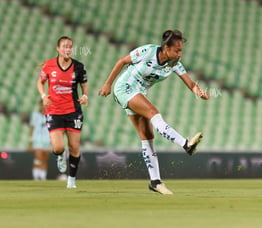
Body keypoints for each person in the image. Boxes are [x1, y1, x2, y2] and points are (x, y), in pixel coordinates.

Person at [98, 29, 209, 195]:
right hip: (125, 87)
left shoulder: (175, 64)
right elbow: (122, 61)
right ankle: (186, 145)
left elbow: (191, 83)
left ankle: (155, 182)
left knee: (148, 137)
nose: (179, 54)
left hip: (139, 93)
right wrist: (107, 84)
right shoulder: (148, 51)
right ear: (166, 48)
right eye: (177, 50)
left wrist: (199, 92)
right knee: (153, 113)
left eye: (181, 51)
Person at [37, 36, 88, 189]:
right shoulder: (49, 65)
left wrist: (85, 96)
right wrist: (43, 96)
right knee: (58, 147)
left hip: (73, 111)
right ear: (58, 49)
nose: (68, 49)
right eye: (64, 46)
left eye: (70, 46)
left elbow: (84, 86)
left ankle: (71, 179)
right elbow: (40, 82)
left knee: (74, 147)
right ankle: (60, 155)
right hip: (54, 110)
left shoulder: (78, 67)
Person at [28, 99, 51, 180]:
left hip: (47, 139)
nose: (43, 106)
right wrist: (30, 141)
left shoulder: (50, 115)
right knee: (38, 157)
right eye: (42, 104)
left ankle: (43, 176)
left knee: (44, 158)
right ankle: (36, 176)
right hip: (37, 139)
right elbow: (32, 127)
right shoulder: (35, 115)